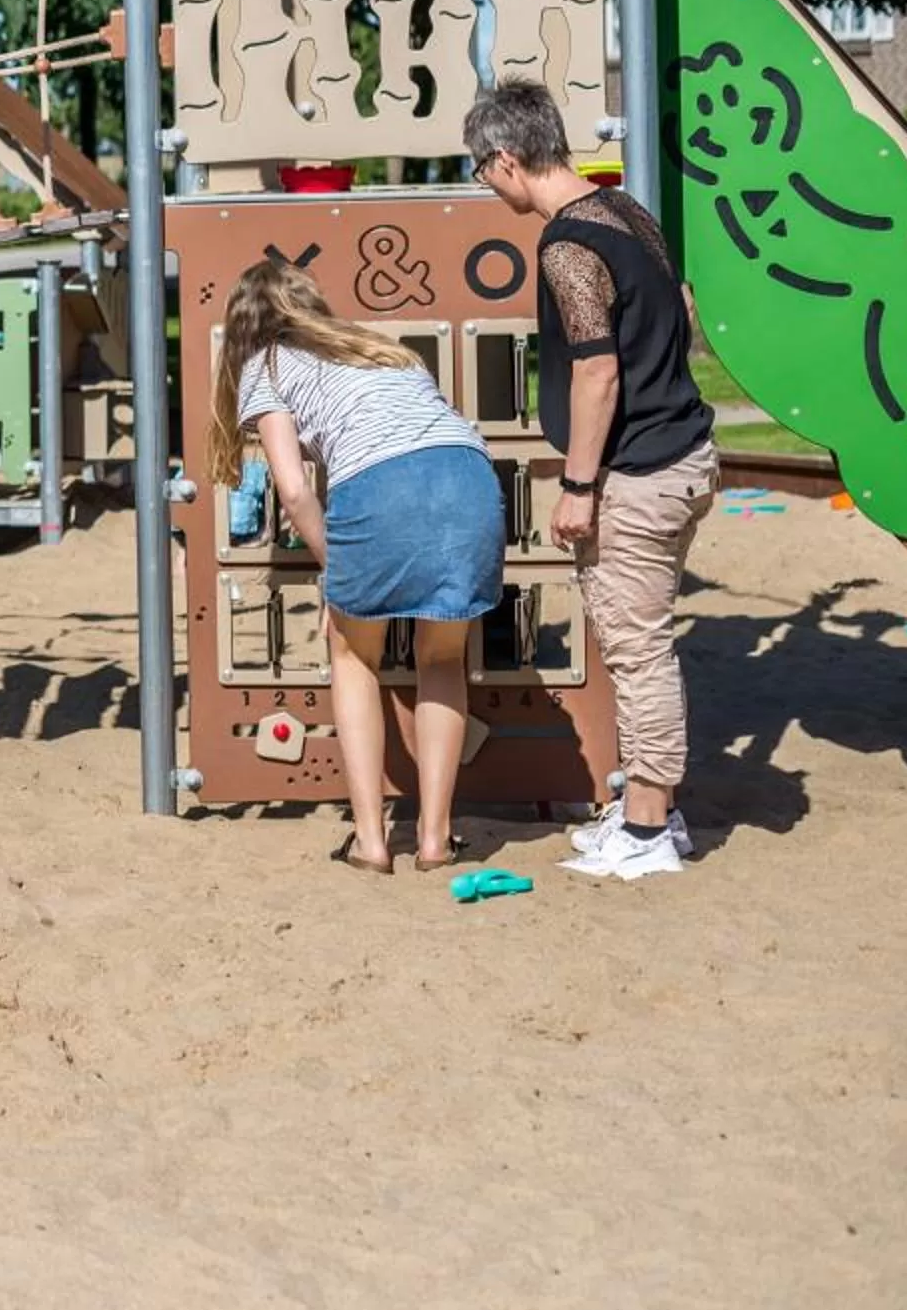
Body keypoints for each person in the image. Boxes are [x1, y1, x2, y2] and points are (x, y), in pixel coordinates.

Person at [467, 81, 717, 880]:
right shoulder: (628, 213)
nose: (485, 183)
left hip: (636, 471)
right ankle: (650, 812)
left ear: (508, 158)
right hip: (684, 451)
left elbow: (596, 372)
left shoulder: (569, 244)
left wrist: (579, 487)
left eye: (482, 169)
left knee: (638, 653)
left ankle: (647, 831)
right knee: (642, 644)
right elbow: (681, 305)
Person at [213, 259, 505, 873]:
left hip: (380, 485)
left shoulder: (264, 366)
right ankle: (434, 838)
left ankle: (371, 841)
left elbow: (292, 491)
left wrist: (334, 564)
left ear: (245, 324)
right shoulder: (380, 349)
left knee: (352, 655)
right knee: (444, 658)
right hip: (468, 476)